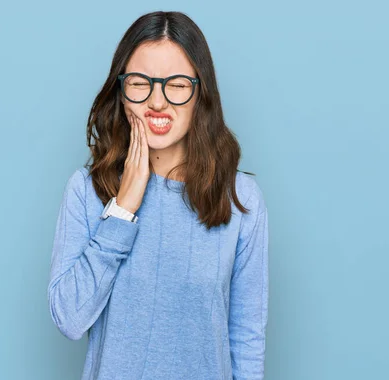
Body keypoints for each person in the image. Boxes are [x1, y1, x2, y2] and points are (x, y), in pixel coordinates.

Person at [47, 10, 269, 380]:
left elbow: (246, 340)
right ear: (121, 90)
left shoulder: (241, 199)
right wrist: (123, 208)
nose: (158, 101)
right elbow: (68, 319)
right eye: (140, 82)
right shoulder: (86, 190)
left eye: (177, 84)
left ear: (200, 92)